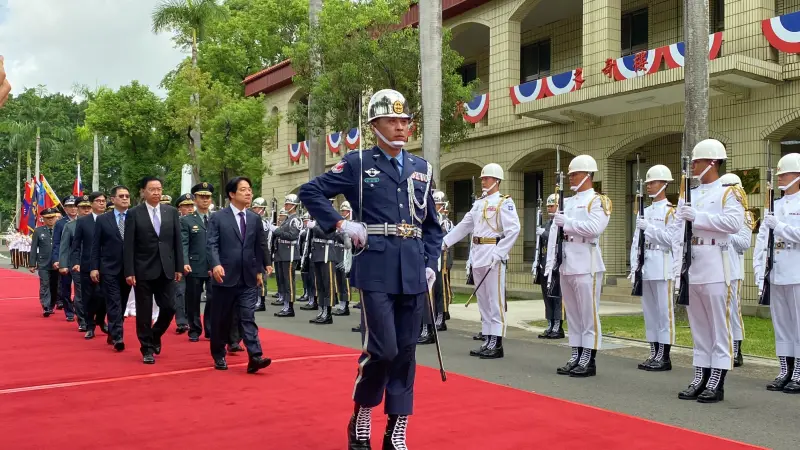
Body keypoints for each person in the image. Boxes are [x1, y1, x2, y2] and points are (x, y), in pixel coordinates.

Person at [298, 88, 443, 450]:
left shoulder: (421, 168)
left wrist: (430, 263)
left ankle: (397, 427)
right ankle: (363, 411)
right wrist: (340, 225)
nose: (400, 127)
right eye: (392, 121)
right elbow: (310, 192)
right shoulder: (358, 163)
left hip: (412, 268)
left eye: (404, 121)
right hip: (376, 265)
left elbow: (431, 225)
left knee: (408, 352)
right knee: (384, 349)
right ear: (374, 125)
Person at [672, 139, 744, 403]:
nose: (693, 165)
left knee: (718, 325)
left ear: (712, 162)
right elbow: (678, 232)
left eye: (697, 161)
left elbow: (734, 223)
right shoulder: (690, 193)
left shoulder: (728, 192)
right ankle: (700, 373)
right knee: (699, 326)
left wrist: (698, 218)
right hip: (693, 264)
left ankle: (718, 377)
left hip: (715, 262)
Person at [443, 163, 521, 358]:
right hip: (478, 253)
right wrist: (445, 242)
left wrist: (500, 252)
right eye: (482, 179)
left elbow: (514, 230)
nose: (483, 181)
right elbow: (464, 226)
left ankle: (497, 342)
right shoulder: (479, 203)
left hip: (493, 252)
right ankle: (488, 338)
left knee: (495, 300)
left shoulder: (504, 202)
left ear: (496, 180)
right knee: (484, 301)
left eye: (486, 178)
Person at [545, 155, 611, 377]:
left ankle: (588, 358)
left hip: (586, 262)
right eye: (570, 174)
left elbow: (594, 228)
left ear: (588, 175)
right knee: (572, 313)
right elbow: (555, 232)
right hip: (566, 261)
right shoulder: (568, 201)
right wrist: (551, 264)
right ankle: (576, 353)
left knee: (588, 313)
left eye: (575, 174)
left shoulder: (598, 201)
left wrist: (569, 224)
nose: (570, 177)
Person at [207, 176, 273, 373]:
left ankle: (255, 355)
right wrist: (216, 264)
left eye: (250, 189)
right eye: (243, 189)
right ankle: (218, 354)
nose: (248, 193)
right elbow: (211, 244)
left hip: (248, 276)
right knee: (222, 319)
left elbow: (260, 244)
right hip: (224, 276)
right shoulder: (218, 217)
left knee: (247, 316)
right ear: (232, 194)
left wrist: (264, 266)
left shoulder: (254, 218)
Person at [123, 177, 184, 365]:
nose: (156, 193)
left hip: (166, 269)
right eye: (152, 189)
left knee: (170, 307)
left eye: (159, 189)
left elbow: (177, 242)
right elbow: (129, 245)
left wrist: (179, 267)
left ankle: (155, 334)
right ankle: (146, 348)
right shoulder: (134, 213)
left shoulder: (171, 212)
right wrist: (129, 271)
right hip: (142, 270)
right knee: (144, 311)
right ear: (143, 192)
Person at [754, 153, 800, 393]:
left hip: (797, 272)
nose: (781, 178)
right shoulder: (775, 205)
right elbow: (762, 242)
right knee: (781, 325)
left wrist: (779, 226)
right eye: (779, 175)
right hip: (777, 272)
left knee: (799, 325)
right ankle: (785, 370)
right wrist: (759, 272)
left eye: (785, 174)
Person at [629, 165, 675, 371]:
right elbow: (635, 242)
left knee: (664, 313)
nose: (649, 186)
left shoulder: (671, 211)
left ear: (664, 184)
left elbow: (672, 240)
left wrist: (650, 229)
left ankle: (664, 356)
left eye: (653, 182)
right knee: (650, 313)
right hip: (646, 267)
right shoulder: (644, 211)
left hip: (663, 266)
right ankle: (653, 352)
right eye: (647, 183)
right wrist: (634, 267)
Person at [91, 185, 132, 352]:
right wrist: (94, 267)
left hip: (129, 269)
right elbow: (96, 245)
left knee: (122, 302)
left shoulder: (135, 217)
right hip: (108, 268)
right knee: (114, 302)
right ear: (113, 199)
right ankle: (118, 336)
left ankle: (113, 331)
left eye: (127, 196)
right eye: (121, 196)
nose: (124, 198)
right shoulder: (103, 219)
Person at [718, 173, 754, 368]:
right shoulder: (719, 212)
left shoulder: (745, 215)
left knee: (732, 312)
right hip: (717, 268)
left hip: (733, 270)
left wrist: (726, 232)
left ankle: (737, 348)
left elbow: (744, 244)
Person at [71, 192, 109, 338]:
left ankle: (100, 319)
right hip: (86, 265)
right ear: (92, 204)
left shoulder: (110, 219)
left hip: (106, 265)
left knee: (104, 296)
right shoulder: (83, 221)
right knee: (88, 297)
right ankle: (89, 325)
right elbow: (76, 246)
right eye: (98, 201)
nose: (101, 203)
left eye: (103, 201)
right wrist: (75, 262)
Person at [182, 183, 214, 342]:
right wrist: (185, 261)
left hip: (214, 266)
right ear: (195, 199)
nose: (205, 200)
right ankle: (194, 329)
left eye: (207, 197)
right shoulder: (187, 220)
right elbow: (184, 244)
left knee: (213, 298)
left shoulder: (216, 218)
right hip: (194, 265)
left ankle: (210, 328)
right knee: (193, 299)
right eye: (202, 197)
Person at [307, 205, 345, 325]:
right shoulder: (318, 219)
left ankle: (328, 313)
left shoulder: (331, 219)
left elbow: (328, 235)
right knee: (320, 285)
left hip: (327, 255)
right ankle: (321, 310)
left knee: (328, 285)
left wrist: (315, 228)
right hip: (318, 254)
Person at [59, 196, 92, 331]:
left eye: (88, 207)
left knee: (99, 294)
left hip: (97, 264)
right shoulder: (70, 226)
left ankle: (97, 319)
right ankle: (83, 320)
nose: (86, 210)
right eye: (83, 208)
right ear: (77, 209)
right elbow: (64, 246)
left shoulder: (99, 222)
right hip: (77, 264)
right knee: (81, 293)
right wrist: (63, 264)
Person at [534, 193, 564, 339]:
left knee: (556, 297)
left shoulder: (561, 223)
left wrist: (544, 233)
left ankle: (558, 326)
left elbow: (556, 239)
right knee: (547, 297)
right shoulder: (546, 224)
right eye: (548, 206)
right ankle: (550, 324)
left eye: (552, 206)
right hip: (544, 265)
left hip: (556, 266)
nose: (549, 209)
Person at [272, 195, 302, 317]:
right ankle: (285, 304)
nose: (286, 206)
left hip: (289, 254)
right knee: (283, 281)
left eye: (288, 204)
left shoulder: (296, 220)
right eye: (286, 204)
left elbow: (292, 236)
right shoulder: (287, 219)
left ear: (294, 206)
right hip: (281, 253)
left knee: (289, 281)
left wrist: (277, 231)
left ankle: (289, 307)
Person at [30, 208, 63, 318]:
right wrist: (32, 263)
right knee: (45, 284)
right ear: (43, 219)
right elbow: (34, 248)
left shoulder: (61, 229)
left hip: (57, 263)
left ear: (56, 218)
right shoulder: (38, 231)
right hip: (43, 263)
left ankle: (52, 304)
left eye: (52, 217)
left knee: (55, 285)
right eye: (47, 218)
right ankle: (46, 306)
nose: (50, 220)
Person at [172, 193, 195, 334]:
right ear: (179, 208)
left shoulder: (198, 221)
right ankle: (181, 321)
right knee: (180, 292)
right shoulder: (174, 222)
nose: (190, 208)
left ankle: (192, 320)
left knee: (192, 293)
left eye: (191, 205)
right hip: (178, 262)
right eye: (186, 206)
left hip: (195, 262)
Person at [52, 195, 78, 312]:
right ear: (65, 208)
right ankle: (69, 311)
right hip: (66, 259)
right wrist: (57, 259)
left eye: (75, 206)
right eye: (69, 206)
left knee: (80, 287)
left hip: (79, 259)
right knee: (66, 287)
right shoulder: (60, 223)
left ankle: (79, 309)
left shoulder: (84, 220)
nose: (73, 209)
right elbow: (57, 243)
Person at [333, 201, 354, 316]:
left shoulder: (351, 224)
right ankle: (341, 303)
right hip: (337, 252)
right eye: (341, 211)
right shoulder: (341, 223)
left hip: (346, 253)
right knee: (338, 280)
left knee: (345, 280)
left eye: (345, 211)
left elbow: (347, 240)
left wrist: (337, 233)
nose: (342, 213)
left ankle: (345, 305)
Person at [298, 211, 317, 311]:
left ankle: (314, 301)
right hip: (308, 255)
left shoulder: (316, 225)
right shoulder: (306, 231)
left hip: (316, 255)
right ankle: (310, 298)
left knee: (314, 280)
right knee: (309, 279)